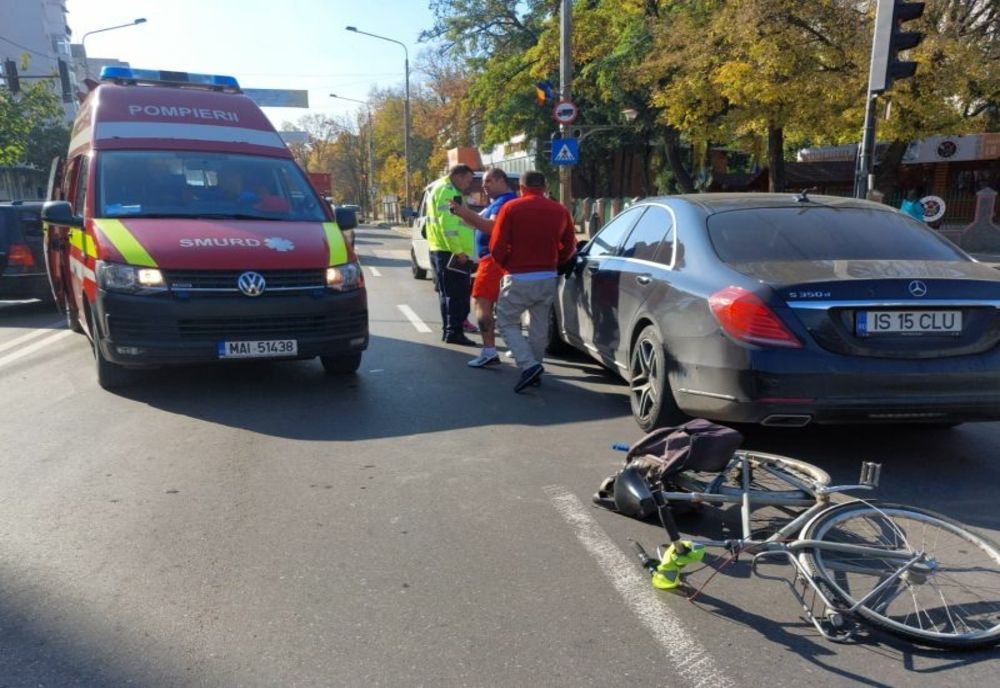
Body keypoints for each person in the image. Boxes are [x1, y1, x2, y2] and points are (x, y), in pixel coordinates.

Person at [490, 170, 576, 392]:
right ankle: (536, 367)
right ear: (545, 187)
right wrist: (557, 262)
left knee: (506, 322)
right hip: (547, 276)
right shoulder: (560, 210)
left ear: (521, 187)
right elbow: (570, 245)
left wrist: (506, 265)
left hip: (518, 275)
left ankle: (528, 366)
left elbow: (497, 245)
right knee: (538, 325)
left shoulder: (511, 208)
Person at [449, 168, 518, 368]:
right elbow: (477, 223)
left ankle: (489, 351)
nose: (484, 186)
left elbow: (491, 228)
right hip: (492, 260)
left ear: (500, 181)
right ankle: (510, 347)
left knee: (482, 304)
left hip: (493, 261)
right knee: (503, 307)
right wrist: (461, 214)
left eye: (488, 181)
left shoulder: (504, 202)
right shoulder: (496, 203)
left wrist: (465, 212)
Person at [425, 164, 477, 345]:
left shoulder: (440, 188)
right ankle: (454, 332)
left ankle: (450, 330)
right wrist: (459, 252)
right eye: (468, 180)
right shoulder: (448, 192)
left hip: (440, 249)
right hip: (451, 252)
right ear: (459, 176)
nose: (469, 185)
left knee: (448, 293)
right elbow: (448, 226)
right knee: (458, 294)